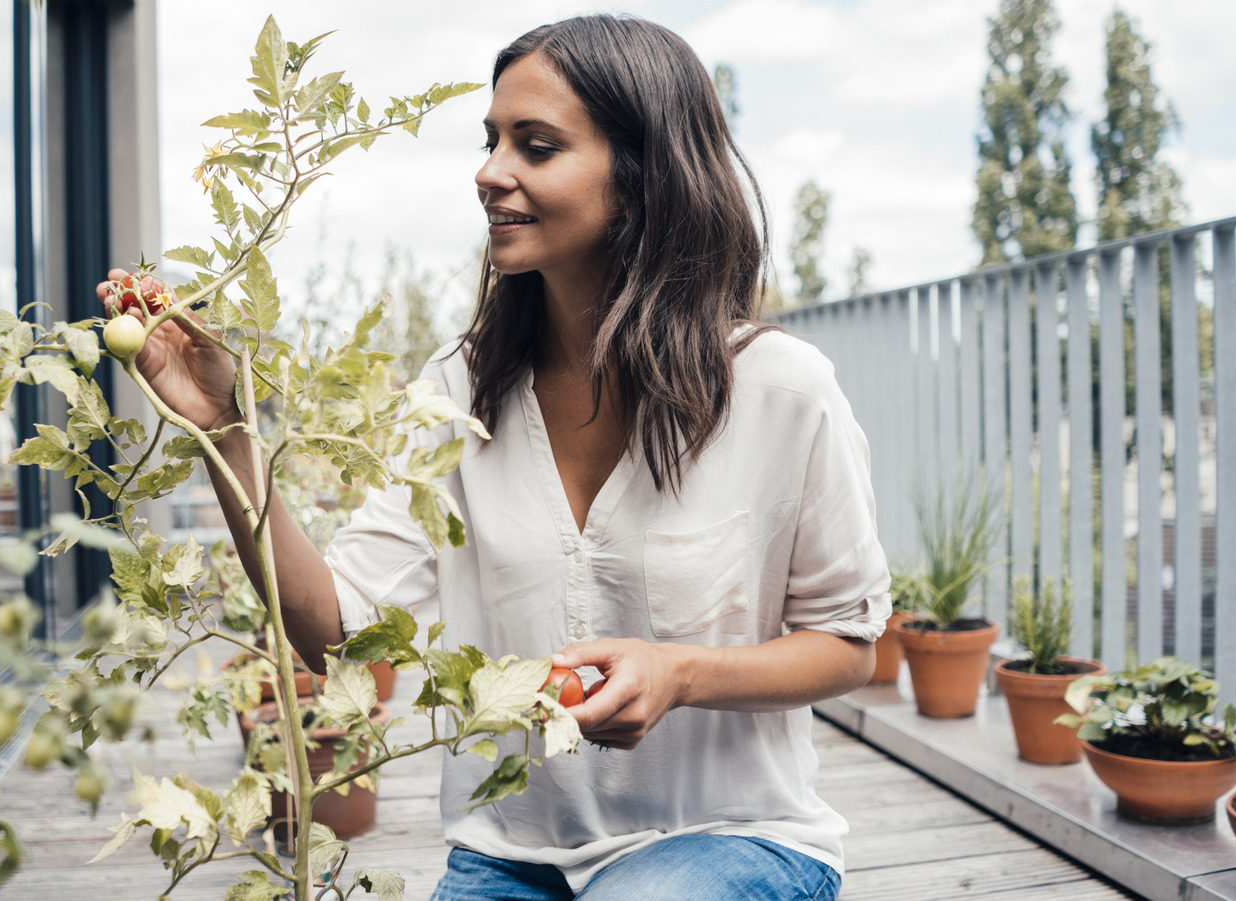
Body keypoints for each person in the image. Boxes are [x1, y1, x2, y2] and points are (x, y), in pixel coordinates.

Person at [100, 14, 888, 901]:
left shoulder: (782, 391)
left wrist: (682, 672)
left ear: (639, 180)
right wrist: (226, 429)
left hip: (735, 839)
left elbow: (849, 643)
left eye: (536, 146)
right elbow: (333, 624)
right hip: (512, 851)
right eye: (491, 139)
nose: (489, 171)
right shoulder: (459, 392)